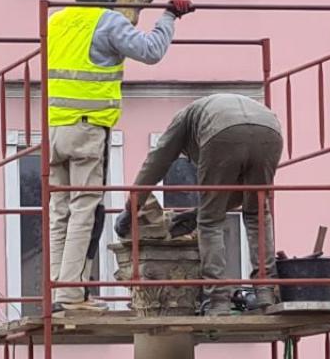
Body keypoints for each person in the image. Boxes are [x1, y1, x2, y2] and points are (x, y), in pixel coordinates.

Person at [48, 0, 194, 312]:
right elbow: (151, 51)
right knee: (84, 208)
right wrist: (169, 16)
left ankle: (56, 290)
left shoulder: (56, 21)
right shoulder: (107, 21)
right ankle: (70, 294)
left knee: (59, 212)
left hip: (54, 128)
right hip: (87, 128)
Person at [117, 93, 283, 315]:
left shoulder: (181, 122)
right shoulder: (202, 113)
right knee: (257, 212)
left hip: (221, 131)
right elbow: (238, 193)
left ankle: (217, 299)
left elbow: (156, 163)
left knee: (210, 222)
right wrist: (196, 212)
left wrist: (132, 207)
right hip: (270, 130)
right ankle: (265, 291)